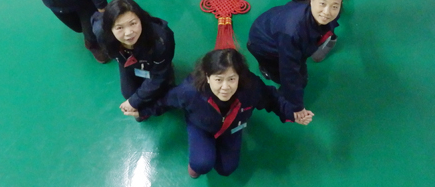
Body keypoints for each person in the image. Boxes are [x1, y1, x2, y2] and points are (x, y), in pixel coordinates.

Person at [129, 49, 313, 178]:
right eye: (218, 79)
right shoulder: (189, 91)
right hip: (201, 126)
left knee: (227, 169)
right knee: (201, 164)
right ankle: (200, 155)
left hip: (233, 127)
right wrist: (142, 109)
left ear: (239, 77)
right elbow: (165, 101)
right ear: (207, 77)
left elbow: (272, 99)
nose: (225, 87)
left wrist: (293, 113)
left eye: (232, 79)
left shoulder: (251, 87)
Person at [246, 0, 343, 114]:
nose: (327, 12)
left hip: (278, 35)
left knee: (300, 74)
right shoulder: (292, 32)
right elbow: (289, 73)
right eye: (322, 3)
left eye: (334, 6)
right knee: (296, 80)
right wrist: (296, 107)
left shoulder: (326, 15)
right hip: (263, 46)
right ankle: (270, 75)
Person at [93, 0, 175, 122]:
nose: (128, 33)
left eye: (133, 23)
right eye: (119, 28)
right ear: (109, 28)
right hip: (126, 62)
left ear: (141, 20)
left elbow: (158, 76)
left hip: (153, 63)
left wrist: (134, 101)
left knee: (161, 89)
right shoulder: (102, 33)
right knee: (127, 93)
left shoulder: (160, 40)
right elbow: (94, 18)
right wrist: (133, 100)